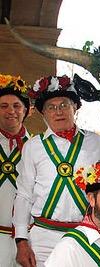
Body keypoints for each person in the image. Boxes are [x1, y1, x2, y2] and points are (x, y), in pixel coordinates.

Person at [13, 75, 100, 267]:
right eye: (51, 107)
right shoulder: (33, 147)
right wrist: (21, 241)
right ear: (43, 113)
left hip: (85, 234)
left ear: (75, 108)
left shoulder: (95, 142)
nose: (58, 111)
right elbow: (24, 195)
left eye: (64, 105)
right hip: (43, 238)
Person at [0, 74, 31, 267]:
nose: (11, 111)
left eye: (16, 106)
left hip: (27, 240)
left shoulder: (39, 148)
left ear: (26, 110)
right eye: (3, 106)